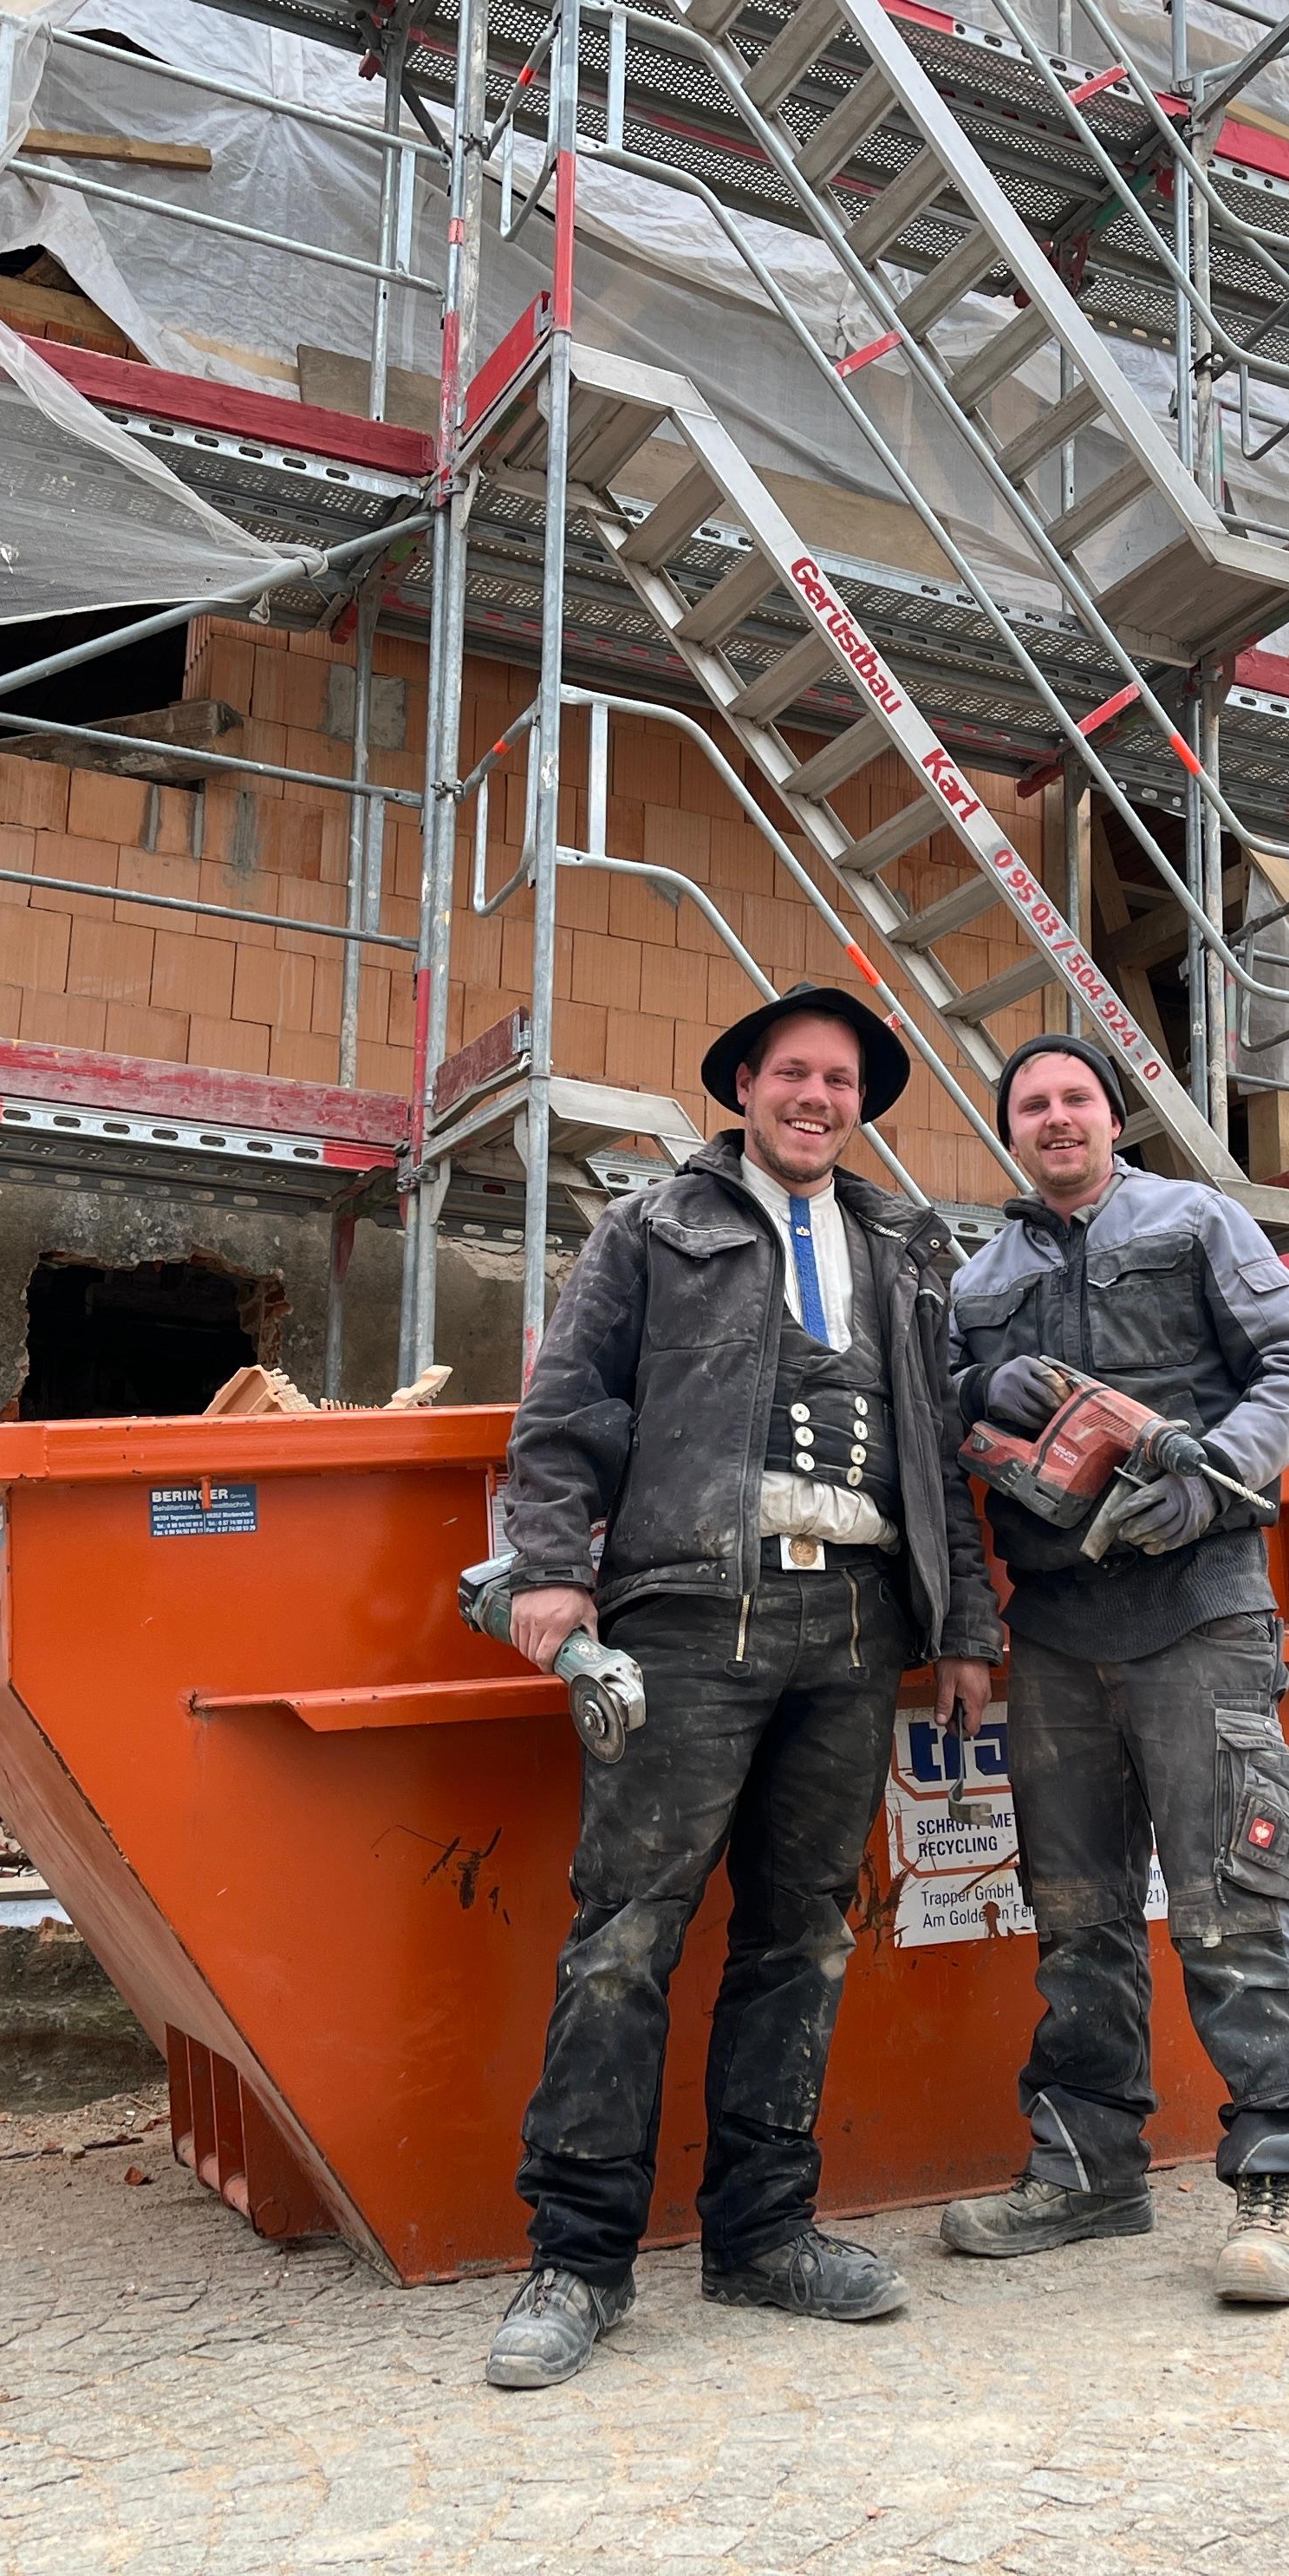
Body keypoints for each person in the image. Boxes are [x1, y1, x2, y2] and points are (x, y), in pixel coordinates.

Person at [482, 987, 1001, 2388]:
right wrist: (549, 1569)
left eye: (840, 1079)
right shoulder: (653, 1226)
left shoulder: (906, 1246)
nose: (816, 1097)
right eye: (793, 1074)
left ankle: (763, 2236)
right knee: (626, 1936)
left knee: (803, 1937)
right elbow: (569, 1408)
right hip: (688, 1613)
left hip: (854, 1624)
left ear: (860, 1101)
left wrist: (965, 1626)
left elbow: (939, 1454)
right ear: (748, 1087)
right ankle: (577, 2262)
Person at [937, 1033, 1289, 2302]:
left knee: (1234, 1903)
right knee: (1077, 1921)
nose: (1057, 1120)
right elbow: (947, 1426)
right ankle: (1086, 2170)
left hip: (1198, 1617)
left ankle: (1279, 2180)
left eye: (1076, 1100)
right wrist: (977, 1383)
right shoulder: (978, 1277)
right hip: (1057, 1632)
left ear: (1113, 1119)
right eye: (1032, 1106)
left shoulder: (1199, 1221)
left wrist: (1212, 1483)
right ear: (1011, 1131)